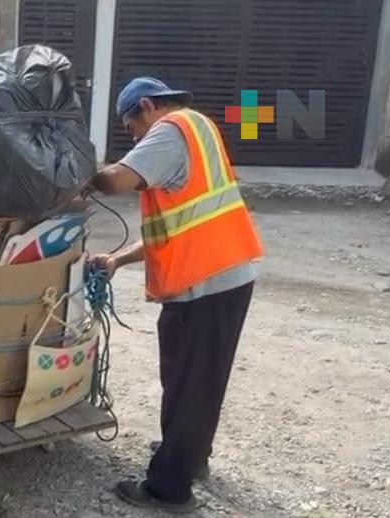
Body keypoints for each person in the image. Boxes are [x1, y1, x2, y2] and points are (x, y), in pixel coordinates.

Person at [87, 77, 264, 514]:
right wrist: (116, 260)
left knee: (187, 383)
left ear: (147, 107)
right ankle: (191, 457)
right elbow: (174, 231)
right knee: (202, 379)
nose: (135, 139)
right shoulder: (197, 130)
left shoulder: (171, 129)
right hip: (227, 272)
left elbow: (115, 180)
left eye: (132, 128)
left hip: (205, 282)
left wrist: (76, 176)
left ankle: (169, 488)